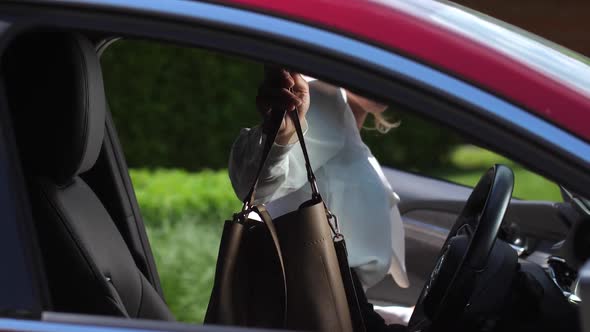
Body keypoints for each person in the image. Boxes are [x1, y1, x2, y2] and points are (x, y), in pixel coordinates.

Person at [228, 68, 410, 329]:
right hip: (315, 299)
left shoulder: (341, 112)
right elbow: (254, 184)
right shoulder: (321, 103)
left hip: (332, 298)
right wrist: (281, 131)